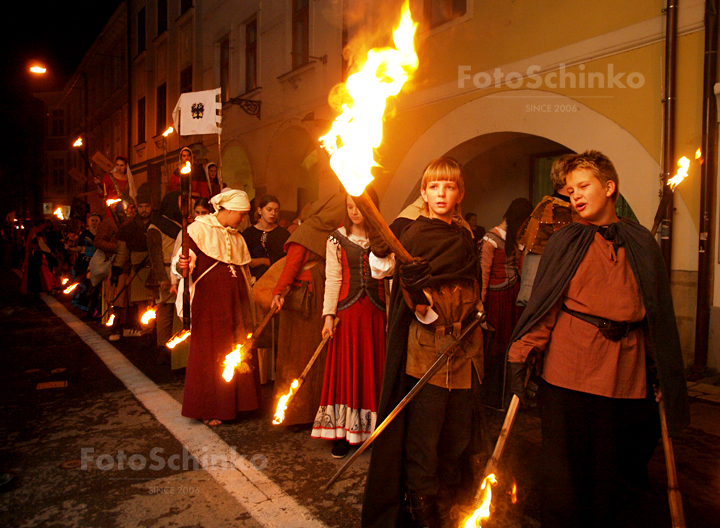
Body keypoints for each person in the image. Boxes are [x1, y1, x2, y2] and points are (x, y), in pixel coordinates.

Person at [507, 150, 690, 527]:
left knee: (611, 475)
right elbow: (546, 306)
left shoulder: (641, 243)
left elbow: (655, 315)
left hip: (624, 375)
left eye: (583, 186)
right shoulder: (564, 242)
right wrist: (522, 354)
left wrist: (658, 368)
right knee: (563, 476)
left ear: (609, 188)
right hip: (568, 374)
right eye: (569, 189)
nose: (575, 195)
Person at [362, 157, 484, 528]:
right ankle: (421, 511)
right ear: (424, 194)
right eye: (434, 187)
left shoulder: (465, 235)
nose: (442, 193)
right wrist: (415, 291)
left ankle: (448, 501)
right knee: (424, 438)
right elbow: (386, 273)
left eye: (449, 186)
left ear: (460, 193)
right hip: (425, 351)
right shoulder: (412, 233)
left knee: (457, 435)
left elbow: (472, 282)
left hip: (466, 349)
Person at [311, 194, 387, 459]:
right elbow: (333, 279)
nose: (355, 212)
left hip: (377, 315)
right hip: (348, 314)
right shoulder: (336, 237)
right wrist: (328, 316)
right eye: (350, 207)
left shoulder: (383, 236)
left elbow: (389, 277)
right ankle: (343, 433)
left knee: (374, 369)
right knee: (347, 371)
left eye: (360, 207)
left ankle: (373, 432)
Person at [175, 189, 258, 425]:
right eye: (241, 214)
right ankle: (212, 407)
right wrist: (182, 264)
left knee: (238, 346)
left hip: (235, 304)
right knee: (212, 351)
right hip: (209, 303)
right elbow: (184, 261)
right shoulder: (198, 229)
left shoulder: (238, 237)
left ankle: (240, 403)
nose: (243, 219)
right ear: (228, 209)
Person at [270, 193, 347, 426]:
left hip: (305, 298)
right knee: (315, 352)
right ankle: (309, 409)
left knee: (297, 353)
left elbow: (292, 265)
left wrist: (278, 291)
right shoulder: (336, 233)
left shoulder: (307, 232)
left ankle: (299, 412)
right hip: (319, 296)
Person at [479, 197, 532, 409]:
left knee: (512, 345)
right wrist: (481, 305)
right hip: (496, 300)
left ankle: (509, 394)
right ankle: (494, 397)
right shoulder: (490, 239)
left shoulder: (517, 237)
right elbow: (484, 275)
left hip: (513, 297)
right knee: (496, 348)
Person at [515, 154, 578, 306]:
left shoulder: (578, 207)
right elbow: (533, 263)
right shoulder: (547, 209)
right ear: (565, 177)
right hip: (554, 299)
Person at [148, 191, 183, 364]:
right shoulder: (156, 226)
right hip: (168, 272)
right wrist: (162, 278)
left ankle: (179, 351)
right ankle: (163, 348)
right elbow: (155, 254)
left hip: (182, 272)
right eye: (179, 202)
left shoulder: (181, 223)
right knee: (165, 311)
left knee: (180, 311)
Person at [115, 186, 154, 338]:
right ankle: (146, 331)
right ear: (137, 208)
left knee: (154, 301)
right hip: (137, 266)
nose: (144, 210)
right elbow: (122, 251)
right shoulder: (128, 227)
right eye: (141, 206)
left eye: (147, 206)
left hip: (155, 265)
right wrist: (118, 267)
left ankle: (154, 331)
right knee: (142, 304)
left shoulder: (158, 223)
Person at [242, 195, 290, 281]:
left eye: (276, 210)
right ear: (260, 210)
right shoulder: (248, 233)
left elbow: (287, 260)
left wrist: (263, 261)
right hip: (252, 280)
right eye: (269, 209)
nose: (273, 213)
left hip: (276, 279)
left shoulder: (283, 234)